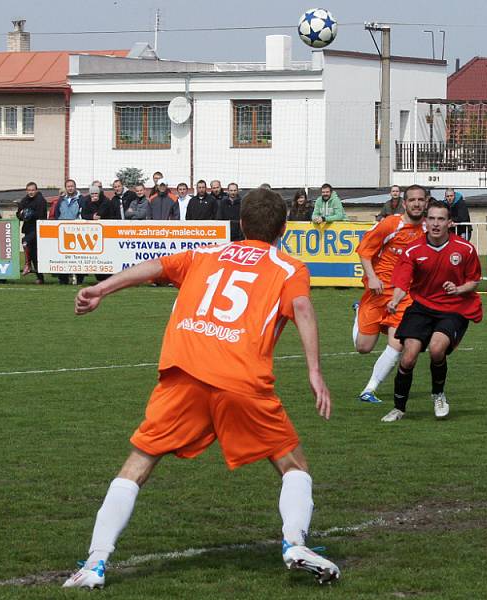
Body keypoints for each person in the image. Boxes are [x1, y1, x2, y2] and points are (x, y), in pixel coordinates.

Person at [63, 188, 339, 589]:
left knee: (138, 464)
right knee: (292, 464)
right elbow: (301, 308)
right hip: (241, 379)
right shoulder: (288, 268)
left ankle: (95, 562)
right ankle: (295, 542)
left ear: (241, 223)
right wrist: (314, 371)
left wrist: (101, 289)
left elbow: (153, 266)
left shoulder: (205, 255)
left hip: (184, 373)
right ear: (283, 229)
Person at [381, 200, 483, 422]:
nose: (436, 224)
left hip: (454, 308)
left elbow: (474, 281)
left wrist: (458, 289)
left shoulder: (465, 249)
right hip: (422, 308)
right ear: (425, 222)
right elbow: (402, 282)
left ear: (450, 222)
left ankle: (438, 394)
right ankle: (398, 408)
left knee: (437, 349)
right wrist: (395, 300)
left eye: (441, 219)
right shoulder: (413, 250)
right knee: (408, 358)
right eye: (432, 219)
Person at [352, 185, 428, 404]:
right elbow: (364, 250)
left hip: (404, 295)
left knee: (398, 343)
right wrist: (372, 277)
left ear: (426, 202)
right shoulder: (390, 224)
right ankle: (359, 311)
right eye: (412, 200)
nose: (416, 203)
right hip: (378, 291)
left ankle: (369, 390)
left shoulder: (428, 229)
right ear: (405, 203)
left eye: (420, 200)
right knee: (363, 348)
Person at [53, 179, 85, 285]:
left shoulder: (81, 199)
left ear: (75, 187)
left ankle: (79, 279)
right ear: (65, 188)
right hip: (63, 231)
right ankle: (63, 278)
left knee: (78, 257)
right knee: (63, 256)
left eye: (72, 186)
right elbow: (57, 214)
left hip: (78, 231)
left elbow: (83, 214)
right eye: (68, 186)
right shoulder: (61, 200)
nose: (70, 188)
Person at [17, 182, 48, 283]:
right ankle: (40, 278)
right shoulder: (24, 200)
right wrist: (22, 215)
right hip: (28, 229)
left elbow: (41, 215)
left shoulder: (41, 200)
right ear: (26, 190)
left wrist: (30, 214)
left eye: (33, 190)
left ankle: (27, 264)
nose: (31, 192)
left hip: (38, 229)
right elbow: (18, 213)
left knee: (25, 241)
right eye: (29, 190)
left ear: (36, 190)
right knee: (34, 254)